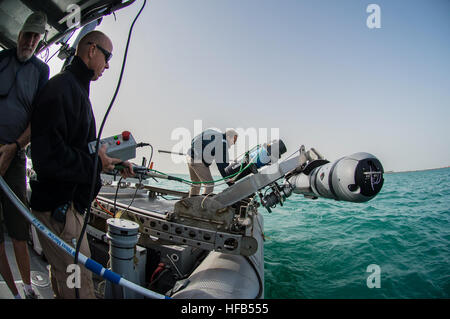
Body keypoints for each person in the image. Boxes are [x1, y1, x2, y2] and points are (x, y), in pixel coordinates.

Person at [29, 30, 134, 299]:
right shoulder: (62, 89)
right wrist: (96, 164)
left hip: (68, 208)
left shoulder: (75, 91)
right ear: (91, 50)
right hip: (60, 210)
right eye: (107, 57)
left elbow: (77, 147)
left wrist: (112, 160)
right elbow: (48, 157)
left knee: (67, 279)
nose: (108, 65)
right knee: (78, 284)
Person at [0, 12, 49, 299]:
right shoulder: (2, 60)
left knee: (19, 226)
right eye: (26, 35)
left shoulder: (41, 72)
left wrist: (14, 148)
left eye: (35, 37)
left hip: (17, 156)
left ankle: (28, 289)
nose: (30, 41)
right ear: (18, 35)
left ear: (40, 41)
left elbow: (38, 119)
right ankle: (12, 292)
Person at [187, 129, 238, 196]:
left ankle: (191, 202)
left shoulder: (214, 133)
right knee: (209, 184)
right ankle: (204, 205)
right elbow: (222, 166)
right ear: (228, 137)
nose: (233, 143)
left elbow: (194, 140)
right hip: (197, 160)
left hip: (189, 155)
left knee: (196, 183)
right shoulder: (223, 143)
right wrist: (229, 182)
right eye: (233, 140)